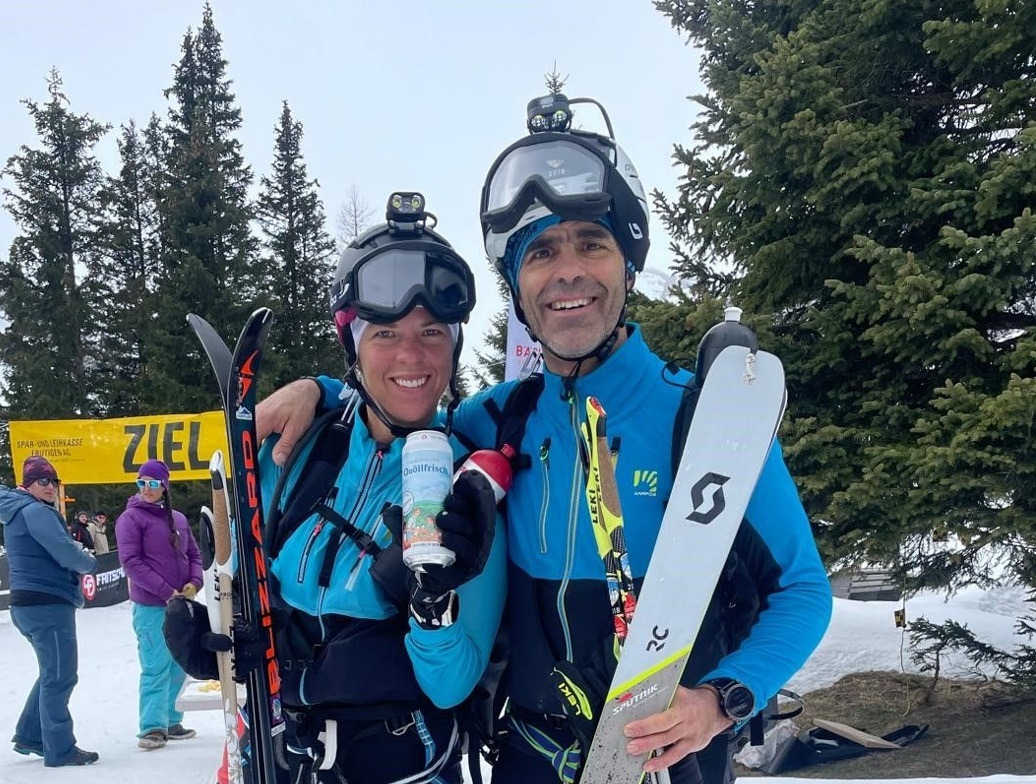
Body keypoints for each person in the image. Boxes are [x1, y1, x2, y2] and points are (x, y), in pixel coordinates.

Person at [255, 96, 833, 784]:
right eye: (541, 253)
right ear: (517, 285)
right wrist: (326, 389)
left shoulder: (700, 422)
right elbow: (401, 399)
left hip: (666, 760)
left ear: (628, 261)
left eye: (592, 242)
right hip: (526, 757)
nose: (568, 271)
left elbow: (803, 591)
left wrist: (721, 701)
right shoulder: (491, 421)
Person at [179, 196, 507, 784]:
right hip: (282, 753)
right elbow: (242, 575)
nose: (412, 354)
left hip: (403, 762)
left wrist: (431, 608)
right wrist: (217, 635)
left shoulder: (465, 493)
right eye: (385, 332)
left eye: (432, 331)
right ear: (353, 347)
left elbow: (455, 681)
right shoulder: (296, 450)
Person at [0, 455, 100, 767]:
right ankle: (60, 748)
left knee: (50, 673)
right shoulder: (36, 511)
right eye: (43, 481)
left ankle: (32, 735)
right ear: (29, 484)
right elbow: (65, 552)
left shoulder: (20, 509)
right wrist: (88, 561)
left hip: (32, 603)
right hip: (46, 603)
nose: (51, 486)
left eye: (54, 481)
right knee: (60, 676)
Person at [115, 459, 202, 750]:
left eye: (153, 483)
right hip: (152, 605)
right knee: (155, 664)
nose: (147, 489)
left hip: (179, 603)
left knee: (180, 662)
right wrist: (167, 591)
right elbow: (131, 562)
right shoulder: (130, 519)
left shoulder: (177, 518)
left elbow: (194, 555)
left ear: (164, 486)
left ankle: (171, 720)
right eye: (142, 483)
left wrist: (194, 583)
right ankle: (152, 726)